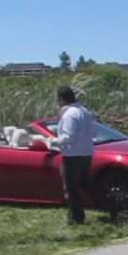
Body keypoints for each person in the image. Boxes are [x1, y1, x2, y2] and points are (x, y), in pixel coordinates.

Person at [48, 86, 95, 225]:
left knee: (71, 187)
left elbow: (68, 136)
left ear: (62, 99)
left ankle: (76, 217)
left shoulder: (69, 114)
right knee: (85, 184)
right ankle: (110, 206)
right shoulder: (84, 111)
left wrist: (53, 141)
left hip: (73, 155)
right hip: (86, 153)